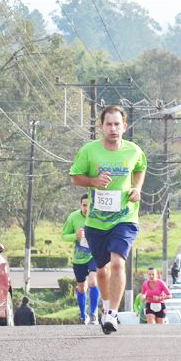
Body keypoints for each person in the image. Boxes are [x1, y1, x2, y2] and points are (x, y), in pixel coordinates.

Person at [70, 105, 147, 334]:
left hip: (125, 217)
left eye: (117, 124)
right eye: (108, 124)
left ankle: (112, 313)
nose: (113, 128)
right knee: (101, 270)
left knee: (118, 263)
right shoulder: (89, 151)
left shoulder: (133, 150)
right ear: (101, 127)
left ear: (124, 126)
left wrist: (137, 188)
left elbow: (141, 168)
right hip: (96, 221)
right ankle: (105, 307)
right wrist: (94, 182)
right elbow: (75, 176)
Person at [61, 194, 100, 325]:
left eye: (89, 205)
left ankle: (94, 314)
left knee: (93, 282)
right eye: (84, 205)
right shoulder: (73, 217)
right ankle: (83, 315)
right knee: (82, 288)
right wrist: (75, 236)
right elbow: (64, 236)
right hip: (78, 258)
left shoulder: (99, 216)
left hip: (94, 255)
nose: (86, 208)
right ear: (80, 205)